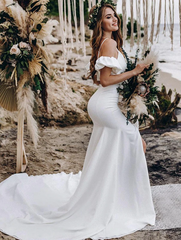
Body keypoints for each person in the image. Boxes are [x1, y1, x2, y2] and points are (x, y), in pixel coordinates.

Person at [0, 1, 156, 240]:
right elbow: (104, 81)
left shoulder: (110, 44)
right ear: (100, 23)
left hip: (108, 103)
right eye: (107, 17)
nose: (113, 20)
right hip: (105, 104)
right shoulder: (110, 43)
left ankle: (115, 195)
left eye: (114, 16)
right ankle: (122, 201)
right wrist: (134, 73)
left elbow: (107, 79)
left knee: (121, 147)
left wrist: (135, 87)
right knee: (134, 141)